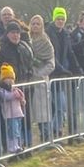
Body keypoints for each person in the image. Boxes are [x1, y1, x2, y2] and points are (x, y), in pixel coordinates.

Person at [25, 13, 55, 141]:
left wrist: (39, 74)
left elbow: (51, 63)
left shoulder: (46, 42)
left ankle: (46, 138)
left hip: (40, 81)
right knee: (28, 114)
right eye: (33, 23)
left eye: (38, 24)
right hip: (27, 81)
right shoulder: (26, 40)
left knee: (43, 114)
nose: (35, 26)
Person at [0, 62, 26, 154]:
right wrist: (14, 95)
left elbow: (21, 97)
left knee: (17, 130)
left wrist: (22, 100)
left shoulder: (15, 88)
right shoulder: (2, 89)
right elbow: (6, 97)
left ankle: (17, 145)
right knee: (12, 131)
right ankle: (12, 147)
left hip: (18, 112)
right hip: (9, 114)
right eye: (7, 78)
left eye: (11, 78)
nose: (10, 80)